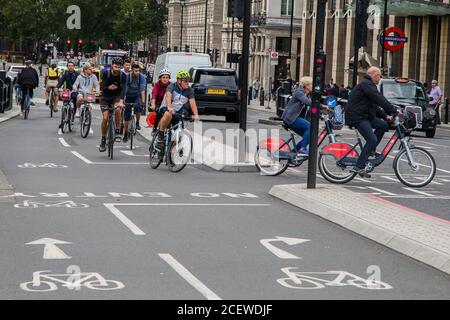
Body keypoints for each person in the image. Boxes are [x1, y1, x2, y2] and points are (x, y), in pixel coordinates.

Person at [345, 67, 398, 178]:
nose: (380, 78)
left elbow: (373, 105)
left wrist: (385, 116)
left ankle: (371, 150)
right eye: (380, 76)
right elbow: (378, 98)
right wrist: (393, 110)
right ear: (374, 75)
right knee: (372, 139)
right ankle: (359, 166)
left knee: (383, 125)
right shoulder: (367, 84)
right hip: (357, 117)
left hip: (365, 115)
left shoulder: (368, 85)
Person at [154, 70, 200, 150]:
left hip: (176, 112)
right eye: (185, 81)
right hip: (165, 108)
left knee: (179, 134)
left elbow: (192, 103)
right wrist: (169, 107)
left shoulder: (190, 90)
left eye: (188, 81)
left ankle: (170, 154)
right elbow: (168, 96)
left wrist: (196, 115)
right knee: (168, 114)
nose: (187, 83)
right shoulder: (172, 86)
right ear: (179, 81)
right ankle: (160, 137)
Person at [281, 76, 314, 157]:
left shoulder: (307, 94)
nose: (312, 86)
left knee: (310, 137)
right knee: (310, 127)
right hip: (290, 118)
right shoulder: (299, 92)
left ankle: (292, 154)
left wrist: (321, 112)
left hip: (295, 118)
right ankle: (302, 149)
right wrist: (322, 106)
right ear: (306, 85)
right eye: (311, 84)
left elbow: (311, 108)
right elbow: (307, 102)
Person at [98, 58, 126, 152]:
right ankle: (103, 139)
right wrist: (108, 87)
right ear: (112, 66)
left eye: (119, 67)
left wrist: (121, 101)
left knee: (118, 109)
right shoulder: (106, 73)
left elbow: (123, 89)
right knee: (105, 117)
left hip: (116, 97)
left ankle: (117, 131)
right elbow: (102, 86)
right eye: (115, 66)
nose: (117, 68)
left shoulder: (123, 76)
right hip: (105, 97)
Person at [122, 63, 147, 143]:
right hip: (128, 96)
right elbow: (124, 90)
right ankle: (125, 133)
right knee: (126, 116)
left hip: (137, 96)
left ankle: (137, 122)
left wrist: (143, 102)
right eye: (136, 71)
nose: (138, 72)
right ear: (132, 70)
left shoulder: (142, 77)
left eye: (139, 71)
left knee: (138, 107)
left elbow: (142, 90)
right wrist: (122, 100)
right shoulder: (127, 77)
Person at [150, 69, 172, 134]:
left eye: (167, 77)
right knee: (159, 112)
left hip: (167, 103)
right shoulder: (157, 85)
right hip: (158, 103)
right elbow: (154, 95)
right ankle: (155, 127)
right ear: (160, 78)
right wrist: (153, 104)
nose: (165, 79)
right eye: (163, 77)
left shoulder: (171, 85)